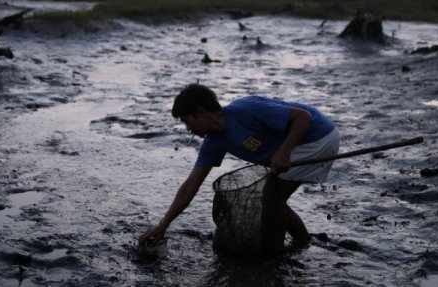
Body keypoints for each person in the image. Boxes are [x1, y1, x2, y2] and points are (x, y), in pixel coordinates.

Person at [139, 83, 339, 248]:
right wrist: (163, 225)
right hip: (302, 144)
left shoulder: (245, 109)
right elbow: (192, 184)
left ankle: (287, 248)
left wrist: (284, 151)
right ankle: (302, 241)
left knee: (272, 199)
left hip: (316, 137)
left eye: (187, 121)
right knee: (272, 199)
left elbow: (302, 117)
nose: (188, 128)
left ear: (201, 112)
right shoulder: (214, 142)